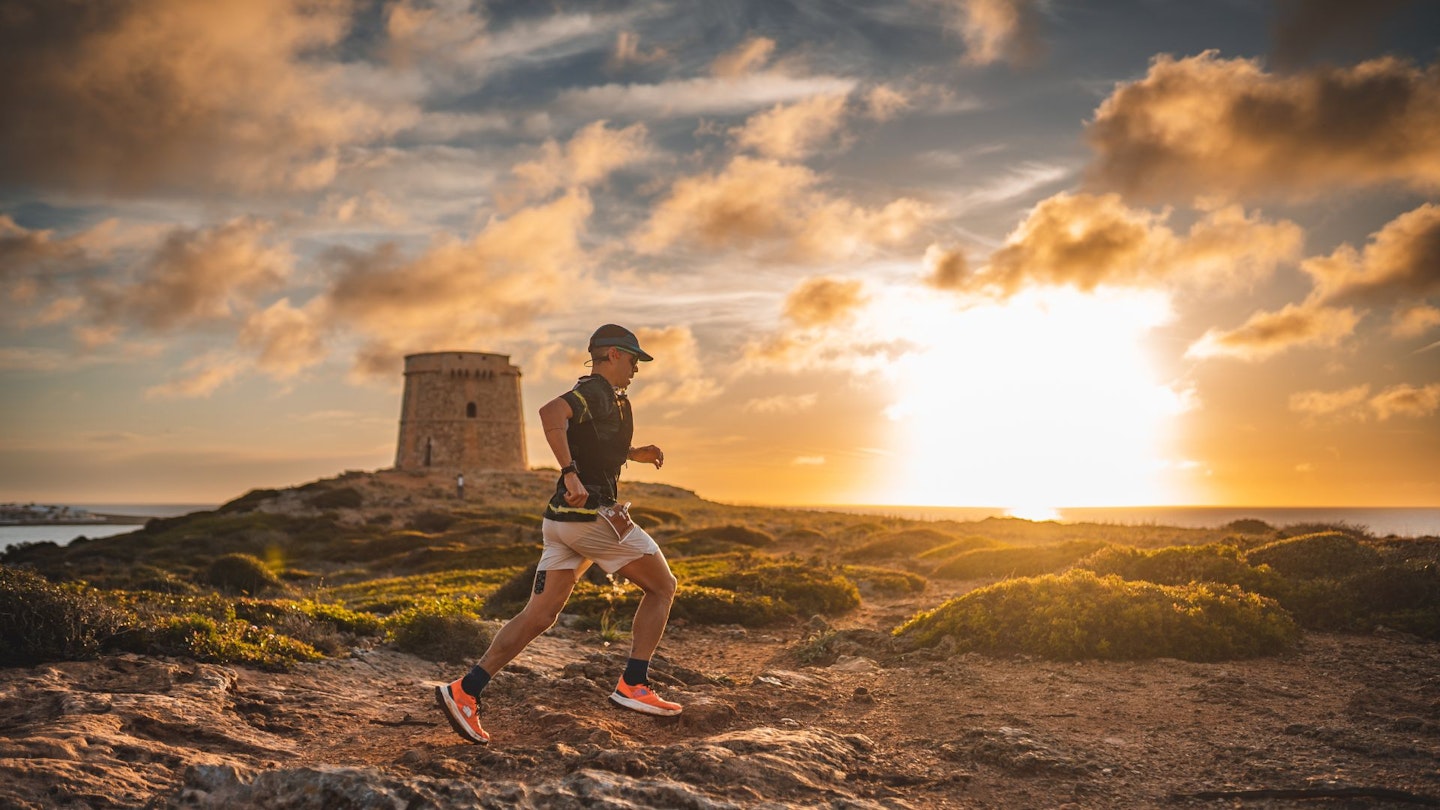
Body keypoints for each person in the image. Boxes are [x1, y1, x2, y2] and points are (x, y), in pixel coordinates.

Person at [435, 324, 681, 745]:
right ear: (612, 355)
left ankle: (465, 690)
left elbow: (594, 443)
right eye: (634, 358)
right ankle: (633, 684)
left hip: (560, 524)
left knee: (539, 616)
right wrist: (570, 474)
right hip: (591, 519)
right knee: (663, 587)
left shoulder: (611, 400)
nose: (637, 368)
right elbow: (551, 414)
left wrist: (634, 454)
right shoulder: (595, 391)